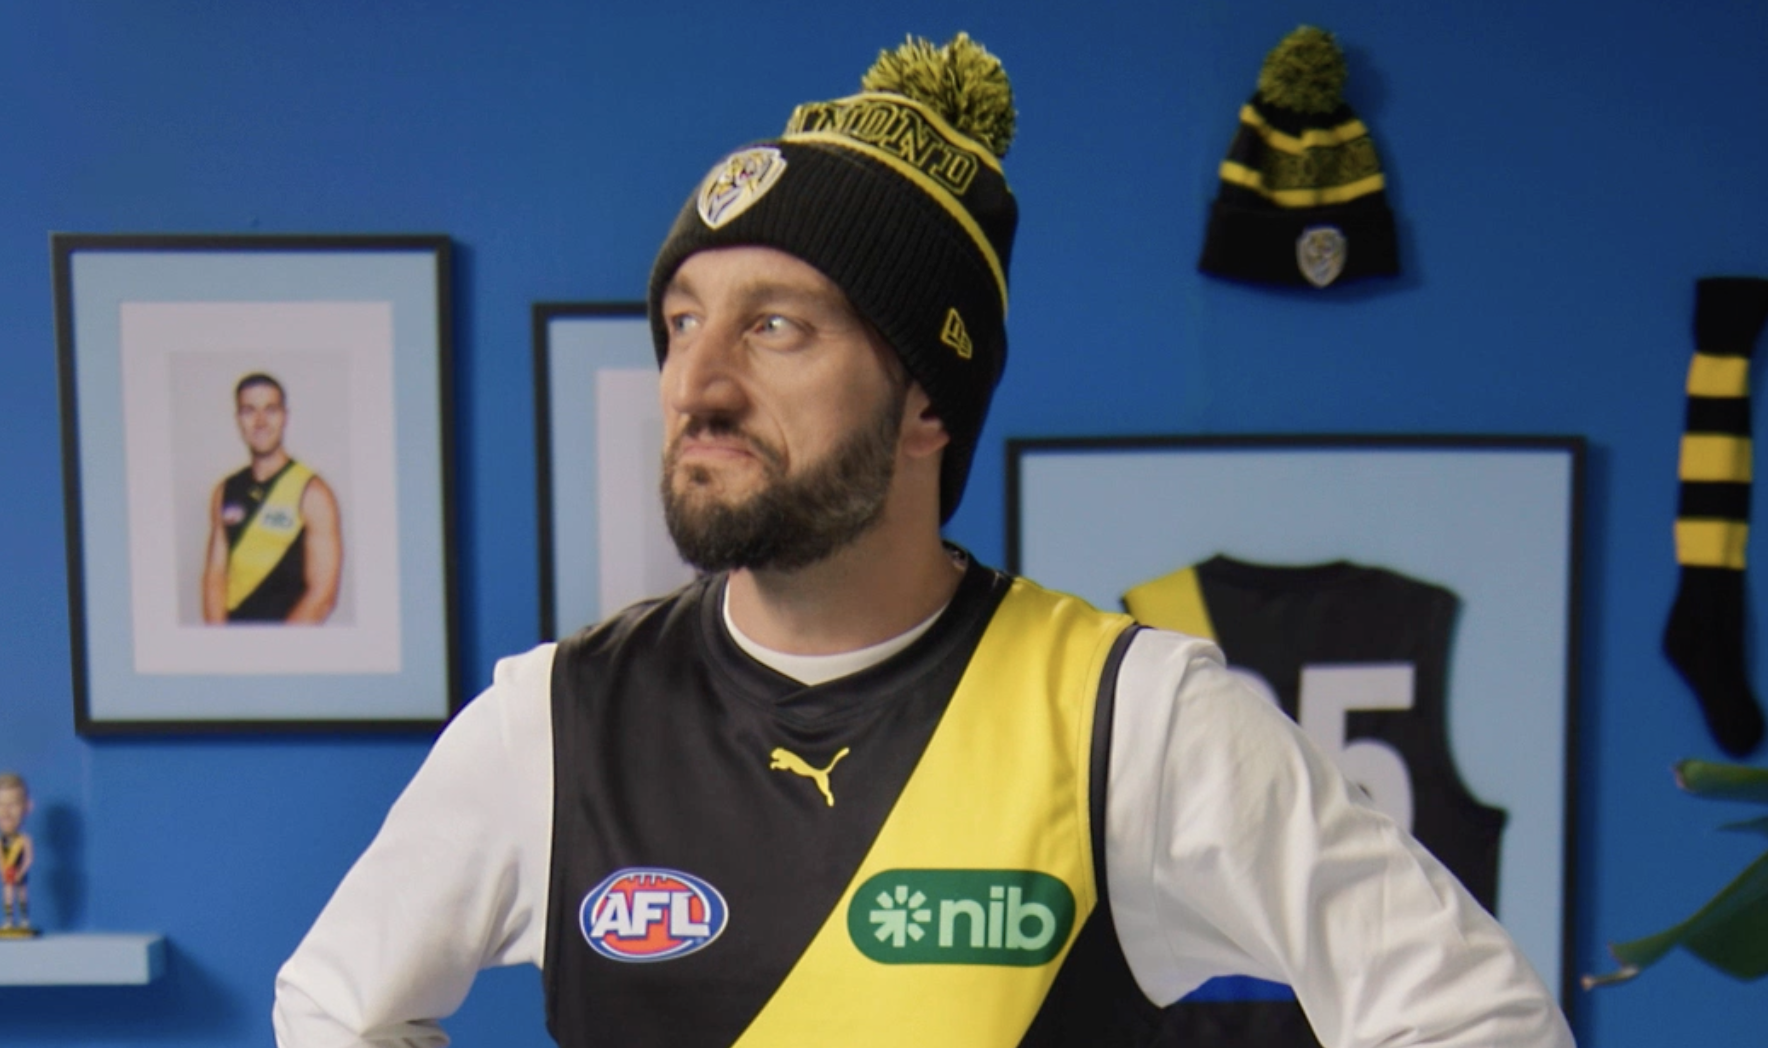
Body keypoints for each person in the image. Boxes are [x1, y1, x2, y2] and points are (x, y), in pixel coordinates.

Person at [274, 33, 1575, 1048]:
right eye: (681, 320)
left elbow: (1477, 1017)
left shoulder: (1128, 717)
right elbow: (330, 1005)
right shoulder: (554, 722)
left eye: (778, 325)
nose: (699, 381)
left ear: (925, 407)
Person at [202, 372, 342, 624]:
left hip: (290, 649)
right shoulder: (224, 490)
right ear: (238, 419)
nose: (260, 421)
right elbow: (215, 576)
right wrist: (219, 648)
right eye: (249, 410)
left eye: (271, 409)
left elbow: (323, 596)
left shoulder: (313, 493)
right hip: (233, 646)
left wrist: (275, 653)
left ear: (285, 417)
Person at [0, 772, 35, 936]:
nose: (6, 812)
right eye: (0, 805)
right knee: (7, 894)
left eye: (13, 805)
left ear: (27, 807)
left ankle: (24, 920)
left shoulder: (24, 840)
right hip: (8, 873)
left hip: (19, 873)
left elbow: (28, 858)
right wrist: (3, 871)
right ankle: (9, 920)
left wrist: (21, 871)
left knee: (22, 894)